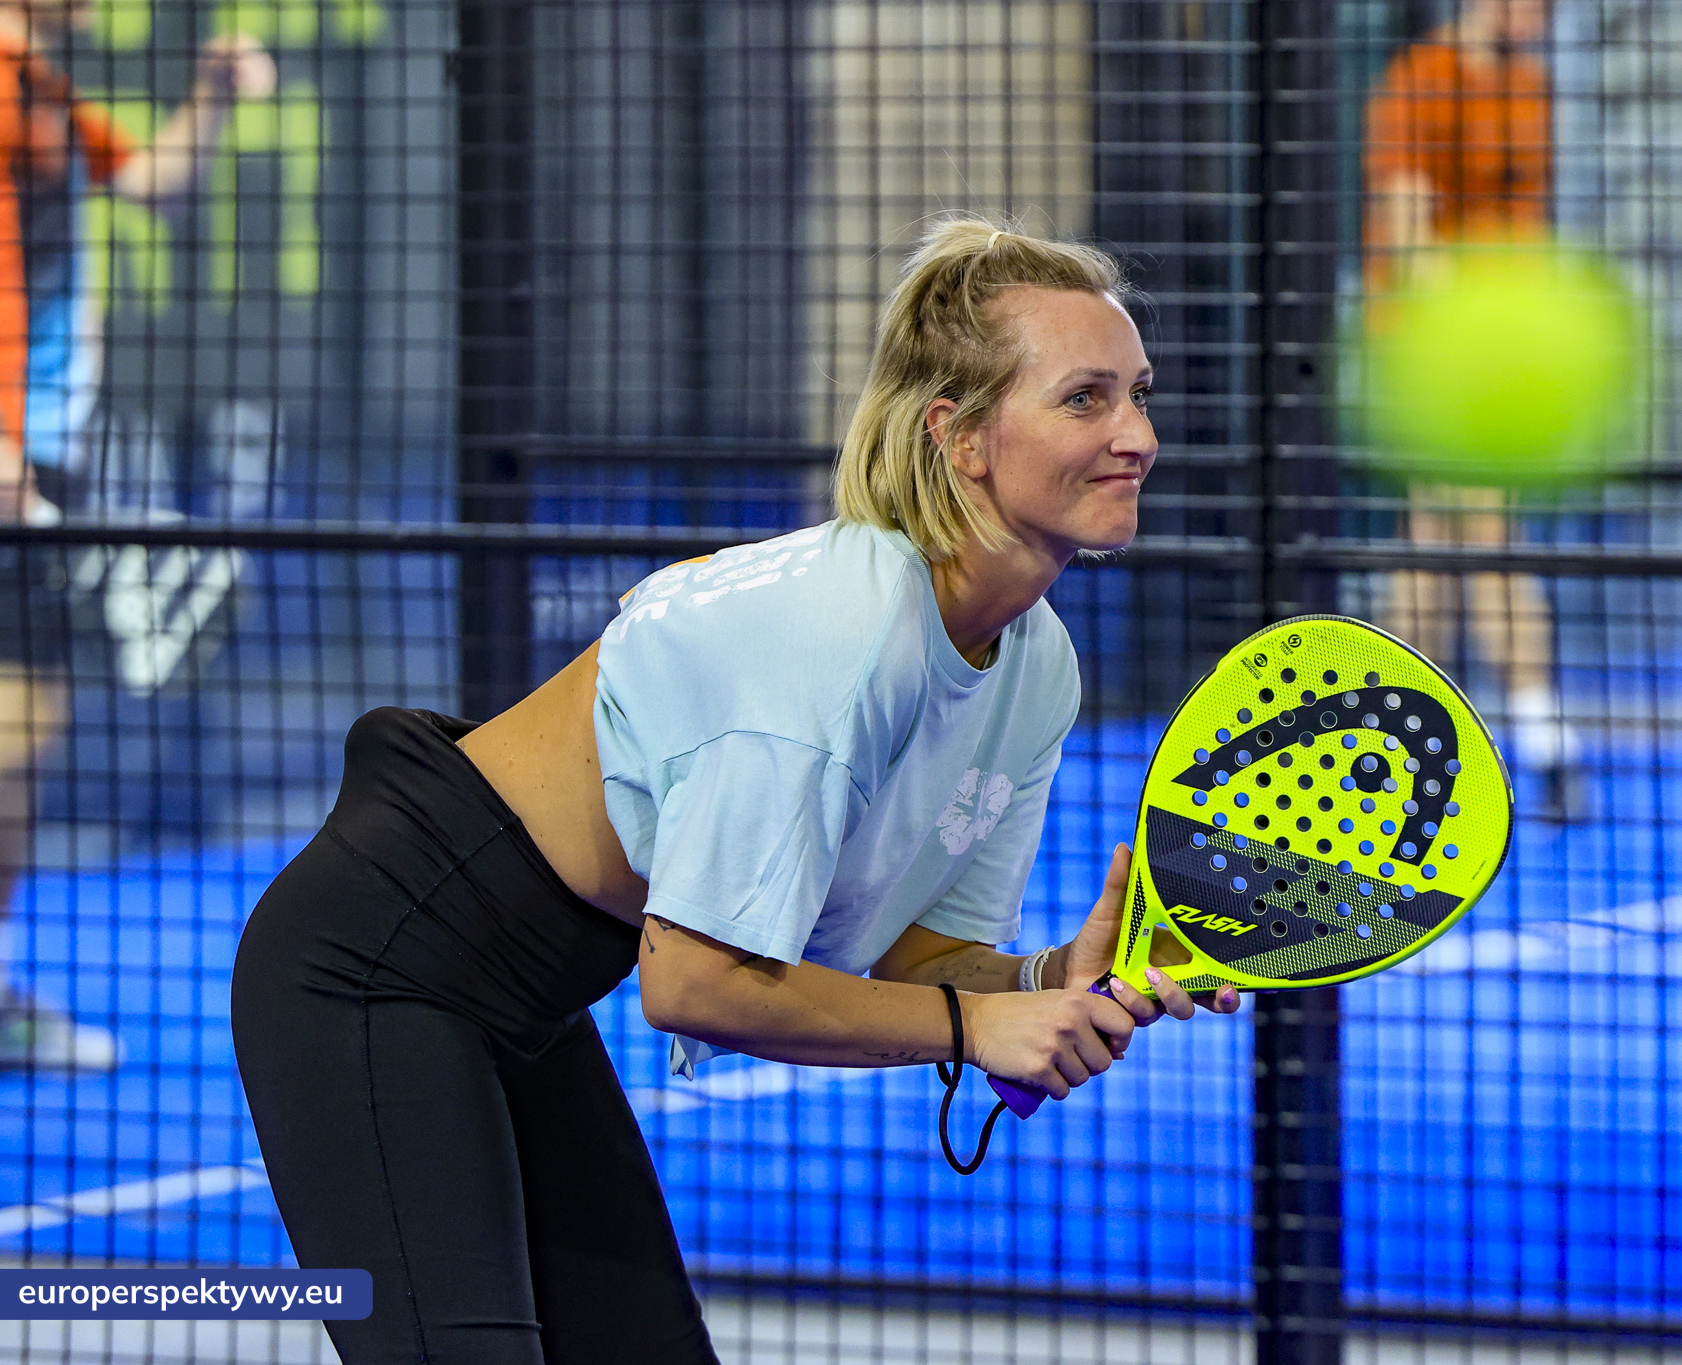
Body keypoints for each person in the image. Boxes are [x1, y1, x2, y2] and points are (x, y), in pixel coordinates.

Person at [231, 219, 1242, 1363]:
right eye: (1085, 399)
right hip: (376, 966)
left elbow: (911, 958)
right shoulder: (841, 632)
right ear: (958, 437)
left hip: (527, 997)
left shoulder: (1036, 661)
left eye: (1137, 395)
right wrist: (980, 1025)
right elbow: (695, 982)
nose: (1136, 436)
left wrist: (1041, 982)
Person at [0, 0, 275, 1074]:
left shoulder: (40, 87)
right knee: (3, 714)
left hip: (38, 451)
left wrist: (212, 98)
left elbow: (154, 185)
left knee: (30, 714)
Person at [1363, 0, 1584, 811]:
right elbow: (1407, 228)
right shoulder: (1423, 78)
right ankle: (1542, 744)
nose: (1536, 16)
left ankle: (1393, 745)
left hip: (1506, 351)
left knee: (1438, 543)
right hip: (1433, 348)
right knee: (1482, 534)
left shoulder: (1532, 88)